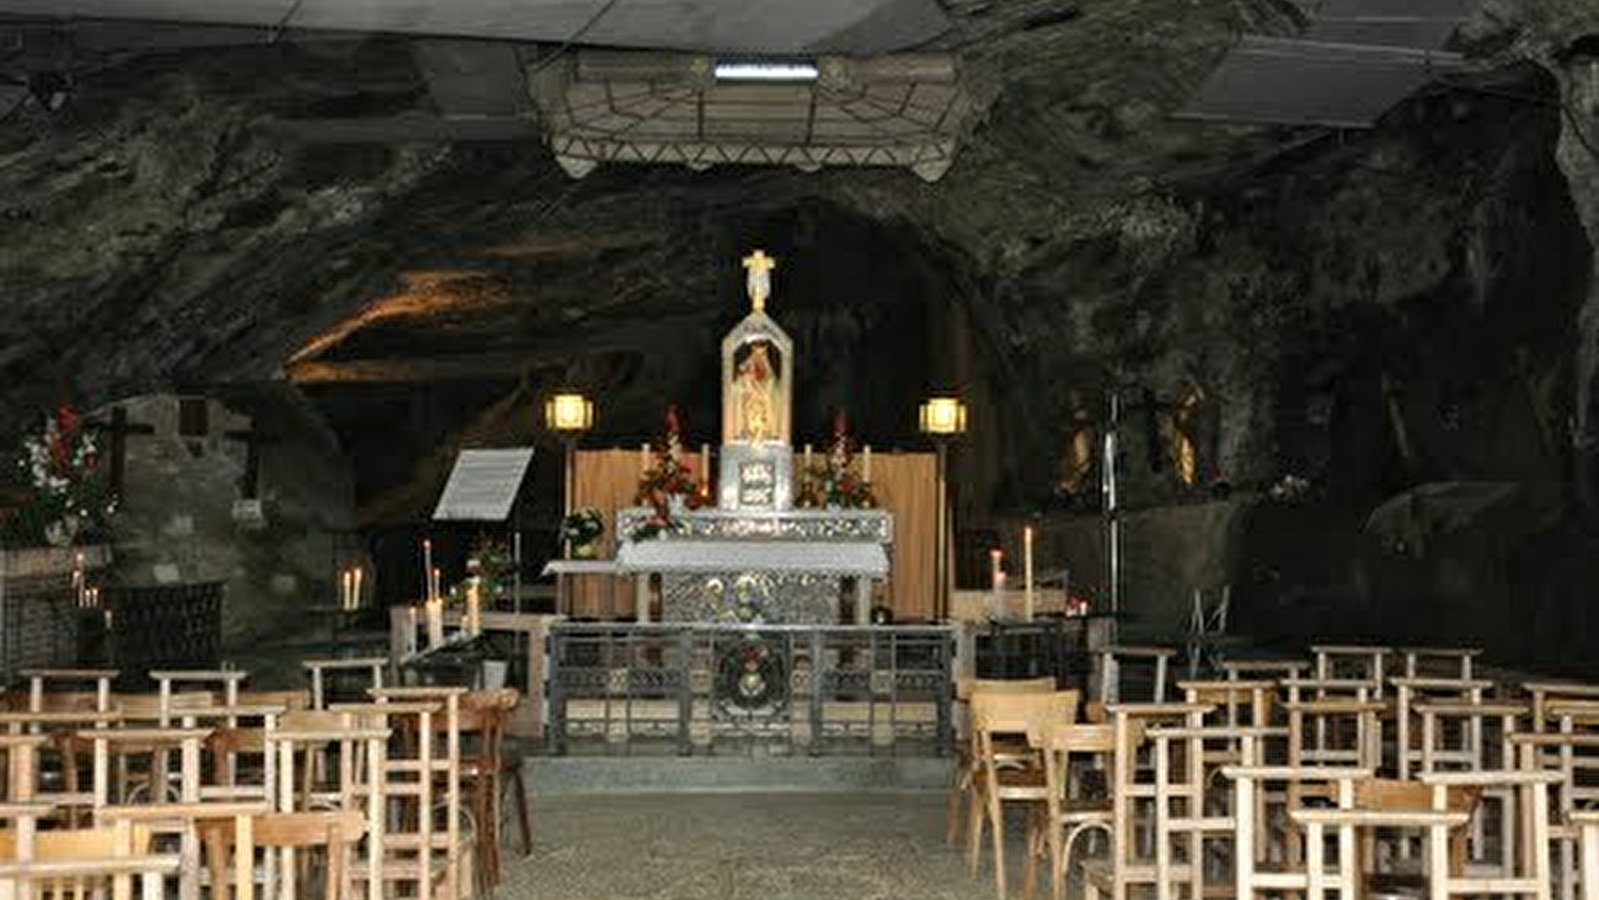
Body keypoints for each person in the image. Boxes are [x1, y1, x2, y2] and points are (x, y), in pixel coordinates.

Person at [732, 341, 779, 442]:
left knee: (763, 412)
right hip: (751, 402)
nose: (759, 357)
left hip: (762, 402)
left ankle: (764, 433)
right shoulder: (747, 372)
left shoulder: (769, 374)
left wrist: (762, 392)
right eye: (756, 352)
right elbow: (742, 370)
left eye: (762, 354)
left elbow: (770, 380)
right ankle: (749, 432)